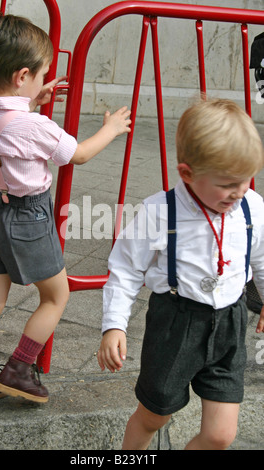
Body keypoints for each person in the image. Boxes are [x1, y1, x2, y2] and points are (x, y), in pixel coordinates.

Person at [0, 14, 131, 406]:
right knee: (56, 297)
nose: (44, 82)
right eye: (41, 76)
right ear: (23, 76)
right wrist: (112, 128)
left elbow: (2, 132)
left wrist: (29, 103)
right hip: (29, 215)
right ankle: (20, 369)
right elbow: (81, 154)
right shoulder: (35, 128)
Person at [97, 98, 264, 450]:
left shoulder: (250, 206)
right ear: (188, 173)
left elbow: (260, 257)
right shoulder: (160, 211)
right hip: (176, 325)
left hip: (230, 327)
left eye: (246, 180)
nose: (238, 192)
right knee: (154, 416)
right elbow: (126, 269)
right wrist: (114, 324)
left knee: (221, 435)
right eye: (227, 184)